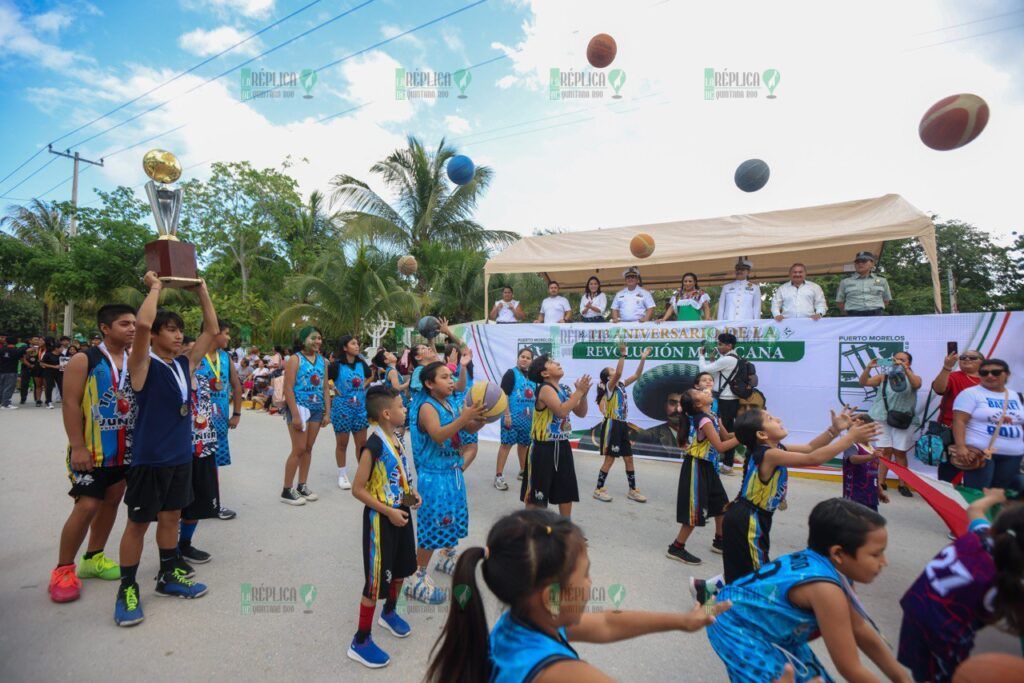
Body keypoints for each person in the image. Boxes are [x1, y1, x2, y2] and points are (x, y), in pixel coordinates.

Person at [425, 509, 728, 683]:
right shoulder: (559, 673)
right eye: (584, 575)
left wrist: (684, 622)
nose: (590, 582)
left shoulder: (521, 621)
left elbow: (608, 622)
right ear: (551, 597)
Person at [707, 498, 909, 683]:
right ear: (838, 553)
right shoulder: (826, 590)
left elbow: (858, 627)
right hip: (732, 622)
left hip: (768, 625)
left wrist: (901, 677)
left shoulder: (837, 570)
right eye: (876, 554)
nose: (885, 562)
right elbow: (850, 669)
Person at [114, 273, 220, 626]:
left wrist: (202, 290)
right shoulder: (142, 364)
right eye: (171, 329)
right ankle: (127, 588)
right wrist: (156, 286)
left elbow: (212, 331)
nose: (178, 335)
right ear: (156, 336)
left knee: (172, 517)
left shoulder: (183, 364)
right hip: (149, 459)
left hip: (179, 456)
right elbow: (142, 325)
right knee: (137, 524)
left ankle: (167, 574)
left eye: (180, 329)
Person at [691, 407, 876, 602]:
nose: (778, 419)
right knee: (759, 580)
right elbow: (813, 458)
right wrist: (849, 438)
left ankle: (705, 592)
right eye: (770, 418)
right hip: (748, 521)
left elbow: (811, 448)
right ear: (762, 434)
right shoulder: (769, 454)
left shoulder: (775, 450)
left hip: (751, 519)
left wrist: (835, 430)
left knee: (746, 573)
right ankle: (723, 613)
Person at [49, 305, 138, 603]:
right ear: (105, 327)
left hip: (123, 451)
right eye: (124, 324)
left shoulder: (134, 359)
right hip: (91, 452)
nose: (132, 329)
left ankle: (93, 558)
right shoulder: (84, 359)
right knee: (86, 506)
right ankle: (63, 569)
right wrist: (77, 446)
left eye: (134, 324)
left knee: (111, 503)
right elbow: (70, 404)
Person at [898, 489, 1023, 683]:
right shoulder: (1003, 581)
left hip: (916, 608)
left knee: (924, 672)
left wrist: (995, 497)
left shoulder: (980, 535)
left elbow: (975, 509)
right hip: (943, 633)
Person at [347, 385, 421, 669]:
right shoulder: (374, 445)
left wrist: (409, 497)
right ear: (387, 413)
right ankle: (361, 640)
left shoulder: (397, 437)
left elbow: (394, 479)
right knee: (375, 581)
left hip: (399, 512)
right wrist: (389, 510)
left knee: (402, 568)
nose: (406, 410)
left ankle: (389, 613)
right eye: (402, 406)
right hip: (381, 519)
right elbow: (358, 489)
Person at [405, 362, 485, 605]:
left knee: (451, 518)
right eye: (444, 377)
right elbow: (439, 434)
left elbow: (467, 427)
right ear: (429, 384)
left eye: (451, 376)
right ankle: (415, 577)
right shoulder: (428, 407)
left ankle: (447, 556)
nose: (451, 381)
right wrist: (465, 417)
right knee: (432, 527)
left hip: (451, 473)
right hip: (434, 476)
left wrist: (481, 418)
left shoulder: (448, 402)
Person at [667, 388, 738, 565]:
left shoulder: (712, 415)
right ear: (698, 403)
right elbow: (721, 446)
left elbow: (727, 436)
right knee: (694, 512)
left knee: (722, 503)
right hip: (696, 466)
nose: (706, 391)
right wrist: (745, 437)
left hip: (707, 466)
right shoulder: (704, 420)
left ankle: (720, 542)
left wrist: (745, 431)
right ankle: (676, 547)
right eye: (700, 392)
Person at [522, 355, 591, 518]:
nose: (558, 363)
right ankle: (529, 530)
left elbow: (581, 413)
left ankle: (565, 529)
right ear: (545, 373)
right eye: (552, 362)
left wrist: (584, 394)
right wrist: (579, 391)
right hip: (543, 448)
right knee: (537, 495)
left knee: (566, 491)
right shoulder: (545, 389)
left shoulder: (564, 389)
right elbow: (561, 411)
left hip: (562, 445)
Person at [951, 359, 1024, 490]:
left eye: (996, 372)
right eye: (984, 373)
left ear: (1007, 374)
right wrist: (961, 447)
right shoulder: (970, 394)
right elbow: (959, 421)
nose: (990, 376)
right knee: (978, 494)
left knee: (1001, 496)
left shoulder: (1016, 396)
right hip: (982, 454)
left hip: (1013, 454)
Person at [195, 319, 241, 520]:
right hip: (198, 421)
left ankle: (214, 504)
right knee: (195, 463)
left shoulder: (225, 357)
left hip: (221, 419)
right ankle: (188, 506)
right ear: (214, 333)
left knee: (213, 464)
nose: (228, 337)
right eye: (226, 332)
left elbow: (236, 385)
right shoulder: (194, 355)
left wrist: (237, 413)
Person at [280, 326, 331, 505]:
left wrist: (327, 412)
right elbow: (288, 387)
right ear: (303, 340)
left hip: (317, 409)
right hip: (300, 408)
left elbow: (325, 387)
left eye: (319, 338)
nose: (318, 341)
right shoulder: (295, 359)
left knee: (308, 448)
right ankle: (287, 489)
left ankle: (302, 485)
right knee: (299, 448)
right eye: (313, 338)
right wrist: (294, 414)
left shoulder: (323, 361)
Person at [593, 343, 650, 503]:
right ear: (608, 377)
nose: (615, 371)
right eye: (611, 370)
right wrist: (623, 354)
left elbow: (637, 375)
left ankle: (632, 490)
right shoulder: (610, 387)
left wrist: (643, 358)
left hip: (622, 424)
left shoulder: (621, 385)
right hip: (612, 425)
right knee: (610, 460)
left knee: (629, 458)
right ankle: (598, 489)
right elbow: (619, 372)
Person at [860, 351, 921, 498]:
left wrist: (905, 369)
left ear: (909, 363)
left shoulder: (913, 377)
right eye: (896, 359)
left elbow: (917, 384)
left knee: (900, 452)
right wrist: (868, 368)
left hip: (903, 420)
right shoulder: (884, 377)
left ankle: (902, 483)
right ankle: (881, 482)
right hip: (881, 417)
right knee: (884, 451)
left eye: (903, 360)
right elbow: (863, 382)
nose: (898, 362)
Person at [931, 349, 984, 480]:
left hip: (980, 434)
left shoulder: (988, 381)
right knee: (949, 473)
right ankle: (946, 498)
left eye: (972, 358)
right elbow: (939, 389)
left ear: (982, 362)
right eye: (963, 357)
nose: (967, 359)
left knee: (976, 474)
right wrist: (947, 367)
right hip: (953, 433)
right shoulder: (954, 376)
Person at [329, 335, 371, 491]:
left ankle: (364, 475)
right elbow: (325, 379)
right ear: (345, 347)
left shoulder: (361, 363)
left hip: (360, 408)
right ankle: (342, 474)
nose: (357, 345)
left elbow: (370, 375)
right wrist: (333, 388)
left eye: (357, 343)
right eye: (353, 343)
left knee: (361, 444)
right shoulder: (336, 365)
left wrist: (364, 386)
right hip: (342, 408)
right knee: (342, 444)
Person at [698, 333, 742, 475]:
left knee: (725, 431)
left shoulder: (728, 359)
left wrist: (701, 356)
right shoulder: (733, 358)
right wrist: (713, 360)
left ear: (729, 346)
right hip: (730, 400)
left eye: (721, 344)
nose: (718, 346)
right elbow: (718, 375)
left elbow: (703, 370)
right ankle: (725, 464)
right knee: (725, 430)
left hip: (726, 400)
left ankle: (727, 465)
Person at [496, 348, 536, 490]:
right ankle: (499, 476)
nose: (524, 359)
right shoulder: (511, 373)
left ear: (532, 361)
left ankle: (523, 470)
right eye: (522, 356)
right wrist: (506, 414)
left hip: (528, 420)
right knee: (506, 445)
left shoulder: (533, 377)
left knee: (524, 445)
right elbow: (504, 395)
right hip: (511, 418)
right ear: (518, 358)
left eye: (528, 357)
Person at [842, 414, 886, 511]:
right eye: (867, 430)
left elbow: (873, 473)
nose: (872, 432)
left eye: (872, 429)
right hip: (855, 497)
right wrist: (871, 456)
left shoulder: (873, 449)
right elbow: (852, 459)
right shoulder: (852, 446)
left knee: (872, 524)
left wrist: (879, 489)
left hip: (871, 497)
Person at [835, 251, 892, 316]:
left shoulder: (882, 280)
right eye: (857, 262)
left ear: (872, 263)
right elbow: (839, 301)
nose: (860, 264)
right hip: (853, 316)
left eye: (864, 261)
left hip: (876, 316)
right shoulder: (845, 281)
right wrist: (848, 314)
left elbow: (886, 300)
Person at [0, 335, 24, 409]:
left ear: (6, 342)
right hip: (11, 371)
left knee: (2, 387)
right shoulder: (16, 350)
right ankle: (6, 404)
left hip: (2, 371)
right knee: (9, 387)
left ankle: (2, 402)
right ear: (16, 342)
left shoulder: (2, 349)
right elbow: (22, 359)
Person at [19, 336, 41, 406]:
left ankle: (37, 399)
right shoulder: (25, 347)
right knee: (24, 384)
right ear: (30, 341)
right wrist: (29, 365)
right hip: (26, 367)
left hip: (37, 368)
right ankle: (23, 398)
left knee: (37, 384)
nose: (37, 341)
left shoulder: (41, 348)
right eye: (35, 339)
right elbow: (21, 358)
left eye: (38, 340)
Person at [40, 337, 61, 408]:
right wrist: (53, 366)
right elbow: (42, 363)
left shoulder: (62, 356)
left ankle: (64, 401)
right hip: (49, 372)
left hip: (59, 373)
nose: (62, 349)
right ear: (56, 348)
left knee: (61, 386)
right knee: (49, 387)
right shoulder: (48, 354)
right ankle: (49, 401)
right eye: (61, 348)